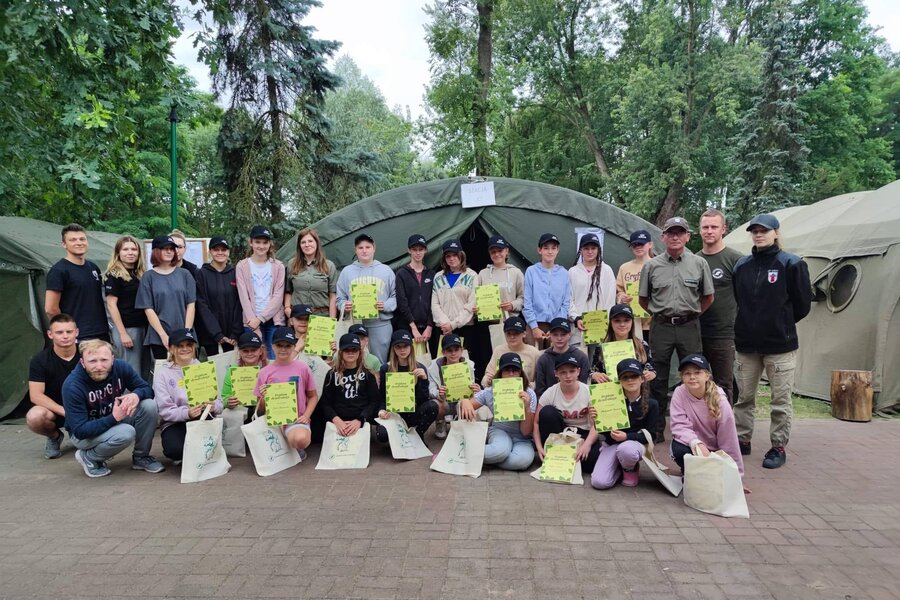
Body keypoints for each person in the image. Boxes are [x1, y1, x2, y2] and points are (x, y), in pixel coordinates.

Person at [732, 213, 812, 470]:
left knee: (780, 400)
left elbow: (802, 305)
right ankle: (742, 440)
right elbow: (740, 299)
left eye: (764, 230)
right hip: (747, 344)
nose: (759, 235)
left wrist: (779, 323)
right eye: (755, 231)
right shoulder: (742, 265)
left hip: (780, 345)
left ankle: (778, 446)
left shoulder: (791, 264)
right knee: (744, 398)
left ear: (776, 233)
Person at [639, 217, 714, 443]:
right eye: (670, 233)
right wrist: (661, 314)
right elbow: (643, 300)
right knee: (657, 378)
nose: (675, 237)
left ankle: (693, 428)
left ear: (687, 237)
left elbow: (708, 297)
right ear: (662, 237)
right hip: (661, 326)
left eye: (680, 232)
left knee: (694, 375)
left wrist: (692, 314)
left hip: (689, 326)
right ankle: (656, 429)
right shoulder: (651, 266)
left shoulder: (699, 264)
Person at [62, 339, 164, 478]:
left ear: (112, 359)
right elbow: (80, 431)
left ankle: (141, 457)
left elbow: (147, 389)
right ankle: (90, 457)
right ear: (82, 362)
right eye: (92, 361)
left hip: (114, 417)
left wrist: (136, 395)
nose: (99, 366)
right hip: (85, 434)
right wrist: (113, 418)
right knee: (126, 433)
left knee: (149, 405)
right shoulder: (73, 385)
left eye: (104, 360)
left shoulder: (120, 367)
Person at [669, 354, 745, 485]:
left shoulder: (721, 401)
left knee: (719, 477)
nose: (692, 377)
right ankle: (690, 471)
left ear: (707, 375)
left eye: (697, 372)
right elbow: (679, 425)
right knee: (678, 450)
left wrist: (736, 477)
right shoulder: (679, 393)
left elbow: (729, 440)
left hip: (715, 451)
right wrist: (696, 443)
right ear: (682, 377)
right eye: (687, 373)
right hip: (692, 445)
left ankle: (706, 472)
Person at [154, 329, 223, 464]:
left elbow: (219, 402)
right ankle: (187, 454)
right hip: (174, 422)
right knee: (175, 450)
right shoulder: (162, 373)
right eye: (180, 346)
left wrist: (214, 406)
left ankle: (199, 454)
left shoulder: (203, 368)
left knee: (206, 446)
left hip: (202, 417)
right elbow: (164, 409)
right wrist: (187, 413)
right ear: (171, 349)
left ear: (194, 347)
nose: (185, 349)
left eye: (189, 345)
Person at [590, 359, 659, 489]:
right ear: (619, 381)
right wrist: (596, 420)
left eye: (634, 376)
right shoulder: (609, 401)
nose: (630, 380)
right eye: (625, 377)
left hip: (634, 445)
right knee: (599, 482)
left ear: (642, 379)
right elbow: (605, 433)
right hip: (611, 444)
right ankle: (618, 469)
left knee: (626, 449)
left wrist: (627, 437)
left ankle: (629, 468)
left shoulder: (652, 404)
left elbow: (652, 435)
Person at [698, 209, 744, 405]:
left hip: (723, 333)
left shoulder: (735, 259)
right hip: (696, 332)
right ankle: (701, 420)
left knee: (724, 383)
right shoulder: (694, 259)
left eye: (714, 227)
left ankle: (724, 420)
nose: (709, 231)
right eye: (705, 227)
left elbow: (745, 296)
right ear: (699, 230)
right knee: (697, 382)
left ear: (723, 229)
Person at [464, 352, 537, 471]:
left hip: (521, 438)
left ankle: (486, 460)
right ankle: (462, 453)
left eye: (515, 370)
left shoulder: (529, 394)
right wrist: (464, 402)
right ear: (501, 373)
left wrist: (527, 407)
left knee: (522, 461)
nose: (511, 374)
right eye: (507, 370)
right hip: (500, 431)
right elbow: (468, 405)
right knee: (499, 451)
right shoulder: (491, 391)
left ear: (521, 373)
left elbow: (526, 431)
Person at [254, 327, 319, 455]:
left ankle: (295, 447)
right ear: (272, 346)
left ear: (294, 346)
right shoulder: (264, 372)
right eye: (279, 345)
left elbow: (313, 396)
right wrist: (264, 397)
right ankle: (287, 450)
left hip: (296, 421)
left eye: (288, 346)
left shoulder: (303, 368)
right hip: (273, 422)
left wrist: (306, 416)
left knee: (301, 439)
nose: (283, 349)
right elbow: (260, 410)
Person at [533, 353, 600, 472]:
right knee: (547, 412)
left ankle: (562, 458)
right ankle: (555, 453)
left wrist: (587, 445)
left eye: (572, 371)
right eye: (563, 372)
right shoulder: (550, 393)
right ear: (556, 374)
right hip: (560, 431)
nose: (568, 376)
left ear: (578, 371)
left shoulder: (589, 392)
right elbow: (536, 422)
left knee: (591, 463)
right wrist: (539, 448)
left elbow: (598, 424)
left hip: (583, 432)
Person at [26, 314, 81, 459]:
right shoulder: (39, 360)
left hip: (85, 409)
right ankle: (54, 437)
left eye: (69, 331)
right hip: (57, 411)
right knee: (34, 417)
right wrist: (66, 412)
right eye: (59, 332)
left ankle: (96, 442)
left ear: (76, 332)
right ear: (50, 334)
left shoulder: (88, 354)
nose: (65, 336)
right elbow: (36, 395)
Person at [336, 233, 397, 363]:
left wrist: (386, 305)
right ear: (355, 250)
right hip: (355, 324)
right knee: (354, 361)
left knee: (379, 362)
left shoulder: (386, 270)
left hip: (380, 324)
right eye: (360, 247)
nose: (364, 250)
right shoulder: (347, 272)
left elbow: (395, 296)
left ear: (374, 248)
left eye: (368, 247)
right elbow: (339, 298)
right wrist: (344, 306)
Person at [136, 235, 197, 360]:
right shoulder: (148, 277)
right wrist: (163, 335)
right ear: (156, 251)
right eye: (165, 249)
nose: (169, 251)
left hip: (184, 333)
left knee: (187, 369)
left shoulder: (185, 274)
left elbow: (191, 304)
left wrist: (186, 332)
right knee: (164, 369)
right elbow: (148, 309)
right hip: (159, 336)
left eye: (172, 249)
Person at [45, 223, 108, 341]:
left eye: (82, 239)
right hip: (78, 335)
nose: (79, 243)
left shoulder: (93, 267)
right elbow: (51, 309)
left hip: (101, 332)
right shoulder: (59, 271)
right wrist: (67, 332)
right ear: (64, 244)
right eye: (73, 240)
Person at [314, 333, 380, 444]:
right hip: (337, 422)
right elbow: (325, 403)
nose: (350, 352)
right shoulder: (331, 374)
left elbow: (374, 402)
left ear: (360, 352)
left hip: (360, 422)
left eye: (354, 349)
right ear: (341, 352)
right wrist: (336, 420)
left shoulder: (368, 375)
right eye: (346, 349)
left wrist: (360, 420)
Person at [375, 330, 438, 445]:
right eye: (398, 347)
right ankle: (399, 438)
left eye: (405, 346)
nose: (402, 350)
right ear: (393, 349)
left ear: (411, 347)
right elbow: (382, 395)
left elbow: (423, 399)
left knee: (432, 406)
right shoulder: (386, 369)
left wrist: (424, 380)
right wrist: (382, 410)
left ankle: (418, 433)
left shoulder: (419, 368)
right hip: (393, 413)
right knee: (382, 435)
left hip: (413, 411)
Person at [430, 239, 480, 377]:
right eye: (448, 256)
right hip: (443, 328)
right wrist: (445, 323)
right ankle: (442, 389)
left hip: (464, 327)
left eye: (455, 255)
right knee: (443, 362)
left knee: (464, 364)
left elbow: (471, 304)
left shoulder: (472, 275)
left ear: (461, 255)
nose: (452, 259)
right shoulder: (438, 276)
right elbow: (434, 304)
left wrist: (453, 324)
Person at [236, 225, 286, 360]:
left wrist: (260, 319)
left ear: (270, 244)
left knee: (274, 358)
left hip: (273, 320)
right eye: (257, 242)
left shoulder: (278, 266)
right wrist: (253, 321)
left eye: (265, 242)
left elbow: (278, 296)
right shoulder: (242, 266)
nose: (261, 246)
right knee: (254, 359)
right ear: (251, 243)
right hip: (251, 320)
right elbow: (243, 296)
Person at [475, 234, 526, 360]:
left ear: (506, 251)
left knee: (510, 358)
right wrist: (477, 309)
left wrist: (512, 305)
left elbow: (523, 298)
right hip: (488, 325)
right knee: (491, 359)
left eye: (500, 250)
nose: (497, 254)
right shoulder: (483, 274)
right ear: (489, 253)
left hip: (511, 324)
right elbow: (476, 298)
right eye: (493, 251)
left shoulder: (516, 272)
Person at [104, 235, 147, 374]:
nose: (130, 252)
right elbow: (111, 305)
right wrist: (123, 333)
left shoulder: (140, 274)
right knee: (132, 370)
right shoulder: (114, 275)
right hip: (127, 329)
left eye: (134, 249)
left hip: (143, 327)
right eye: (125, 249)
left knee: (144, 369)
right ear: (118, 252)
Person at [523, 233, 575, 349]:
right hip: (535, 325)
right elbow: (527, 302)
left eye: (553, 248)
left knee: (554, 357)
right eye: (546, 248)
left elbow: (565, 303)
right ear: (539, 250)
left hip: (556, 326)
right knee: (535, 357)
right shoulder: (531, 272)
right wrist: (534, 327)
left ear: (557, 250)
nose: (550, 252)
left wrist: (556, 326)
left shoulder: (564, 273)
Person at [195, 236, 243, 357]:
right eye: (216, 249)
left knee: (231, 367)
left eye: (223, 249)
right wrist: (217, 334)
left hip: (232, 336)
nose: (220, 252)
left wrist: (235, 333)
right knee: (214, 367)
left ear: (228, 252)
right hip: (210, 335)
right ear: (210, 252)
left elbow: (240, 303)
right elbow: (202, 306)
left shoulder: (235, 273)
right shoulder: (202, 274)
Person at [568, 233, 616, 351]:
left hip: (601, 329)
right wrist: (576, 318)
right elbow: (568, 299)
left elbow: (610, 300)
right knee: (580, 360)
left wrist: (605, 323)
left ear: (598, 250)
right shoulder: (572, 272)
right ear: (581, 250)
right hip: (579, 329)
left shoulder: (606, 270)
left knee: (598, 360)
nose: (590, 251)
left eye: (593, 248)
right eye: (586, 248)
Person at [427, 333, 480, 439]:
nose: (453, 353)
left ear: (462, 350)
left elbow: (471, 387)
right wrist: (439, 393)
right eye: (449, 350)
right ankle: (440, 422)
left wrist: (476, 390)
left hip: (461, 401)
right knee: (435, 404)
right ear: (443, 352)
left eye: (456, 349)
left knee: (473, 402)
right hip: (444, 402)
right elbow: (431, 389)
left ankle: (461, 421)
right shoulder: (434, 367)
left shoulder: (468, 365)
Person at [394, 234, 438, 358]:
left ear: (425, 250)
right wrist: (413, 327)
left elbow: (434, 301)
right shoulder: (401, 273)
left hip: (428, 329)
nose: (418, 253)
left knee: (429, 360)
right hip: (407, 327)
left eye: (421, 249)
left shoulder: (432, 274)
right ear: (409, 251)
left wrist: (429, 326)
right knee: (409, 361)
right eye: (414, 249)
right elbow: (402, 302)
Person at [591, 304, 656, 385]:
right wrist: (594, 375)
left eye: (626, 320)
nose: (622, 324)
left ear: (632, 322)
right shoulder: (601, 347)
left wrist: (651, 374)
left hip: (637, 390)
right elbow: (593, 370)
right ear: (611, 323)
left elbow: (651, 367)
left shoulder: (642, 345)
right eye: (617, 321)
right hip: (611, 390)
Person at [284, 227, 337, 319]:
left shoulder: (329, 265)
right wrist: (287, 308)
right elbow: (288, 291)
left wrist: (332, 320)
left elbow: (333, 295)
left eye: (310, 241)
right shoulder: (292, 264)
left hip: (321, 316)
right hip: (298, 317)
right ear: (299, 245)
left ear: (317, 243)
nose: (307, 245)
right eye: (303, 242)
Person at [533, 318, 594, 399]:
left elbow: (584, 385)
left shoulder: (581, 357)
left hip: (577, 401)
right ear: (550, 335)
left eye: (563, 334)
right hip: (550, 402)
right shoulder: (543, 359)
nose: (559, 338)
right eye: (555, 334)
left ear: (569, 334)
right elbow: (540, 390)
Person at [481, 316, 541, 388]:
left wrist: (525, 387)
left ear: (524, 334)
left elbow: (540, 381)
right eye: (508, 333)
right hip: (502, 391)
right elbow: (486, 377)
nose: (512, 337)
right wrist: (487, 381)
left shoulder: (534, 353)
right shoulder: (498, 350)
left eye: (516, 333)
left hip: (525, 391)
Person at [616, 230, 654, 341]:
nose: (638, 247)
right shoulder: (624, 268)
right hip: (632, 323)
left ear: (650, 244)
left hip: (654, 322)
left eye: (641, 244)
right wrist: (621, 298)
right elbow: (619, 290)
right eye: (635, 245)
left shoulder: (658, 265)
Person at [221, 331, 267, 418]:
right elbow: (224, 397)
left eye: (253, 350)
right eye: (245, 351)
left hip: (263, 410)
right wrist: (228, 402)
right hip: (239, 411)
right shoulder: (232, 371)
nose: (249, 353)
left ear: (261, 351)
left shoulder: (269, 370)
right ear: (240, 352)